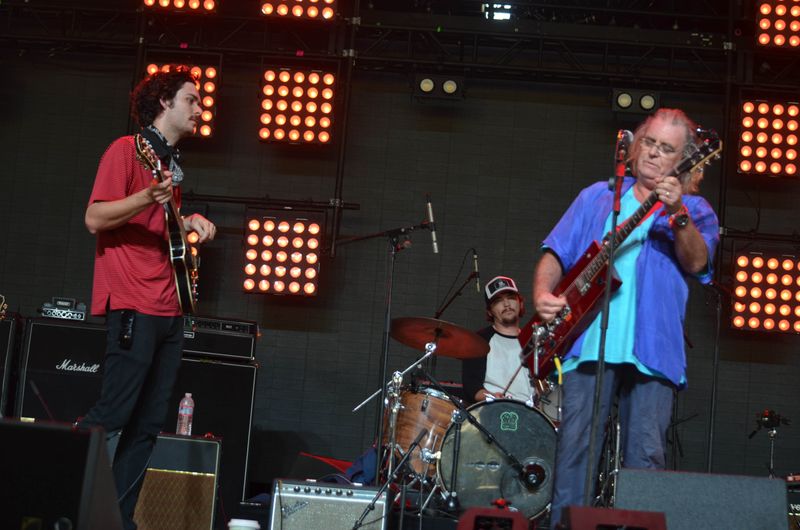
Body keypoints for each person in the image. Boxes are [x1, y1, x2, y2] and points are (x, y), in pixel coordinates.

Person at [532, 108, 719, 526]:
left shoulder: (695, 207)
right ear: (633, 145)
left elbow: (698, 263)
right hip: (588, 340)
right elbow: (554, 252)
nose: (652, 153)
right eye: (648, 142)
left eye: (666, 148)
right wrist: (543, 293)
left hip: (654, 349)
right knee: (575, 450)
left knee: (646, 455)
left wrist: (679, 216)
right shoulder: (597, 196)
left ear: (684, 160)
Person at [77, 66, 216, 529]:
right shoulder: (125, 150)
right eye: (191, 99)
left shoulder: (167, 167)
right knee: (113, 414)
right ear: (164, 103)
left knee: (147, 427)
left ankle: (115, 521)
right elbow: (96, 218)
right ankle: (59, 492)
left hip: (169, 310)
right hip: (134, 302)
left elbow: (161, 228)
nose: (199, 108)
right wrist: (146, 199)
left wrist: (188, 218)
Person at [462, 276, 534, 404]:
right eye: (498, 301)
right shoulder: (479, 341)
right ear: (489, 311)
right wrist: (492, 397)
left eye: (511, 298)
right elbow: (472, 387)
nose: (507, 304)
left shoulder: (533, 341)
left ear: (520, 303)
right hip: (491, 411)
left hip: (530, 413)